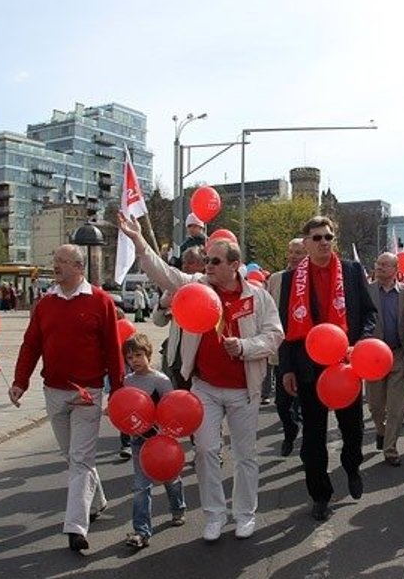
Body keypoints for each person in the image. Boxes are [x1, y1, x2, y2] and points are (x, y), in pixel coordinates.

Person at [119, 212, 282, 542]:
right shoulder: (197, 287)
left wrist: (246, 347)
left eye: (215, 261)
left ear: (234, 265)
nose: (207, 266)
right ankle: (214, 515)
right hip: (204, 387)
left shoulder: (258, 297)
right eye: (206, 260)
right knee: (206, 451)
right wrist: (139, 242)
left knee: (245, 455)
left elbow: (275, 335)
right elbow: (165, 275)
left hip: (244, 390)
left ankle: (245, 514)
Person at [9, 244, 124, 553]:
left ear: (79, 267)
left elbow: (113, 351)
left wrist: (117, 391)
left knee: (81, 458)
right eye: (54, 259)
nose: (55, 265)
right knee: (72, 457)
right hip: (54, 392)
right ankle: (96, 501)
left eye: (61, 261)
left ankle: (76, 527)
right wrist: (20, 381)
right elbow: (31, 346)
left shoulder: (100, 302)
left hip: (87, 393)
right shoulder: (46, 304)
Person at [278, 216, 377, 522]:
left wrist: (359, 344)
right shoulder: (290, 279)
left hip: (345, 367)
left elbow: (369, 316)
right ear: (305, 243)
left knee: (353, 430)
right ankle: (320, 494)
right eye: (317, 237)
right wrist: (287, 369)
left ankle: (351, 465)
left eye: (328, 237)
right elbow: (283, 326)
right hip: (308, 369)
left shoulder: (351, 270)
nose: (323, 242)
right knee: (313, 438)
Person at [121, 334, 186, 550]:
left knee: (170, 478)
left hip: (162, 441)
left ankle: (178, 508)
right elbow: (126, 409)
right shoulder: (128, 381)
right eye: (130, 357)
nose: (134, 361)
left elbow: (172, 408)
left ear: (148, 354)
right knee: (141, 487)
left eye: (138, 355)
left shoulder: (161, 380)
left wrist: (166, 433)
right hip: (139, 441)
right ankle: (141, 532)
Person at [365, 252, 404, 467]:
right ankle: (381, 429)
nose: (381, 267)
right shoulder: (366, 292)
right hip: (373, 356)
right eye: (378, 263)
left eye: (386, 265)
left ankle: (390, 448)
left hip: (398, 354)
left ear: (396, 270)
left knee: (397, 407)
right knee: (376, 406)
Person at [267, 238, 306, 457]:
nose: (293, 256)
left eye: (298, 252)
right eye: (290, 252)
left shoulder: (311, 280)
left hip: (306, 351)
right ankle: (289, 431)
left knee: (306, 404)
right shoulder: (276, 279)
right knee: (282, 403)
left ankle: (308, 447)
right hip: (282, 350)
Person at [154, 246, 205, 389]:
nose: (185, 266)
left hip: (198, 360)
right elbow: (158, 321)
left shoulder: (210, 288)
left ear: (202, 265)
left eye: (191, 262)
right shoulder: (176, 288)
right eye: (184, 262)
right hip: (176, 359)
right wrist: (163, 305)